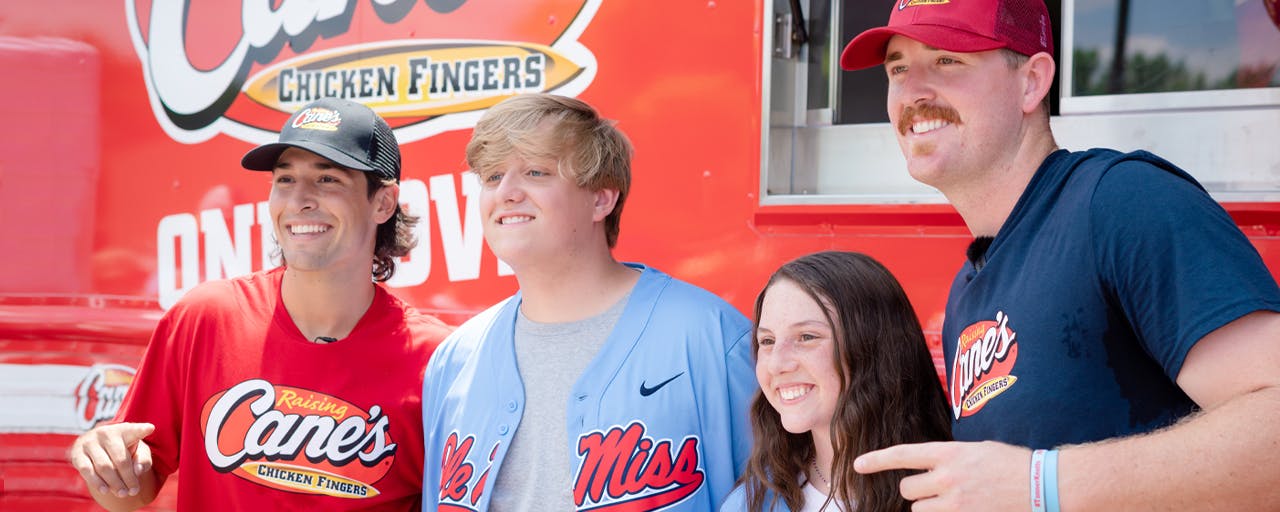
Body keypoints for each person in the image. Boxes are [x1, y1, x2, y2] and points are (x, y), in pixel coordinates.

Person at [838, 0, 1280, 510]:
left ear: (1031, 82)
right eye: (897, 68)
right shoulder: (969, 287)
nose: (912, 90)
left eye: (946, 60)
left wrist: (1039, 482)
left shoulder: (1122, 203)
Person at [68, 97, 454, 511]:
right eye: (284, 180)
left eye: (328, 180)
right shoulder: (206, 318)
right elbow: (131, 494)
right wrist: (104, 461)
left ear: (383, 202)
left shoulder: (437, 360)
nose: (298, 200)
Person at [419, 93, 756, 511]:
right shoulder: (456, 359)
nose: (505, 192)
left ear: (601, 199)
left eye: (536, 172)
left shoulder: (711, 337)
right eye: (492, 177)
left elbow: (779, 490)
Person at [721, 251, 951, 512]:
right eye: (768, 341)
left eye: (807, 337)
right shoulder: (749, 504)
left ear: (872, 347)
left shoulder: (957, 491)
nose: (776, 364)